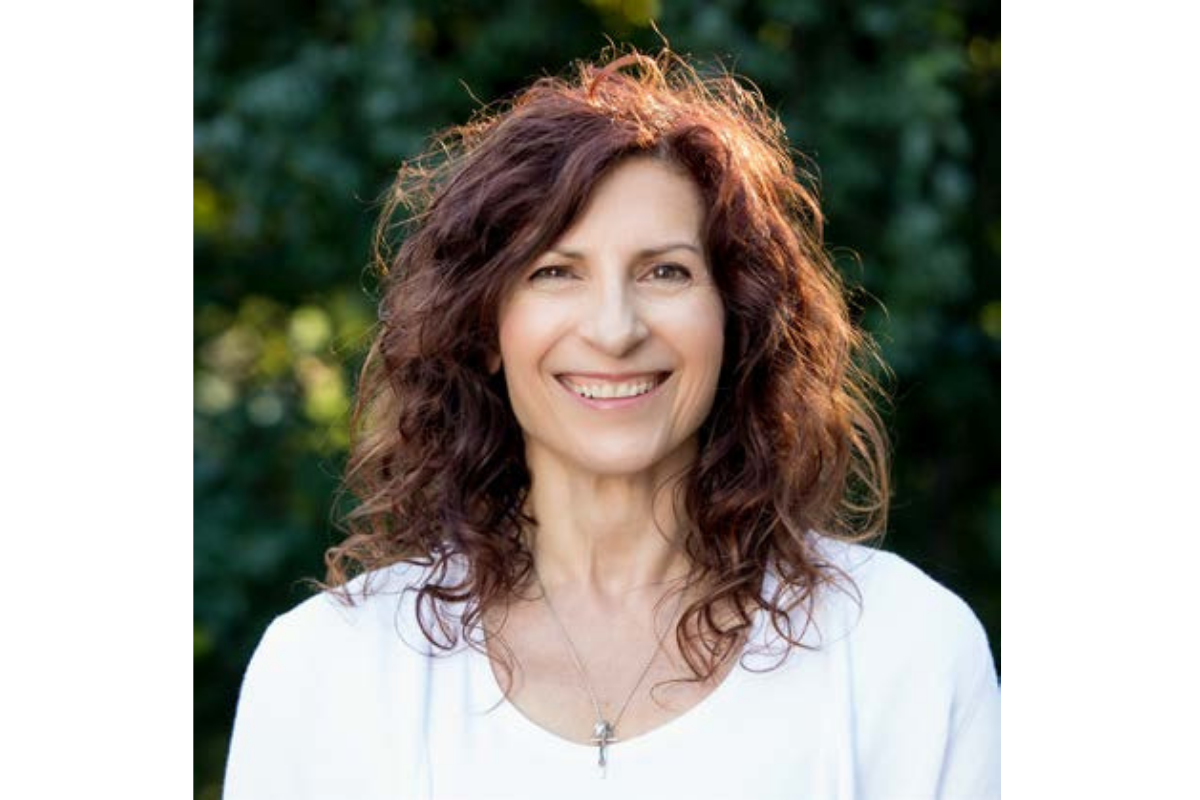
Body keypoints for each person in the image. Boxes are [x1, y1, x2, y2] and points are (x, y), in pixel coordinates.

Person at [223, 48, 999, 799]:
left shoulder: (907, 651)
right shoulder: (325, 670)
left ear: (736, 319)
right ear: (486, 330)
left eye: (665, 272)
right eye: (556, 272)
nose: (615, 327)